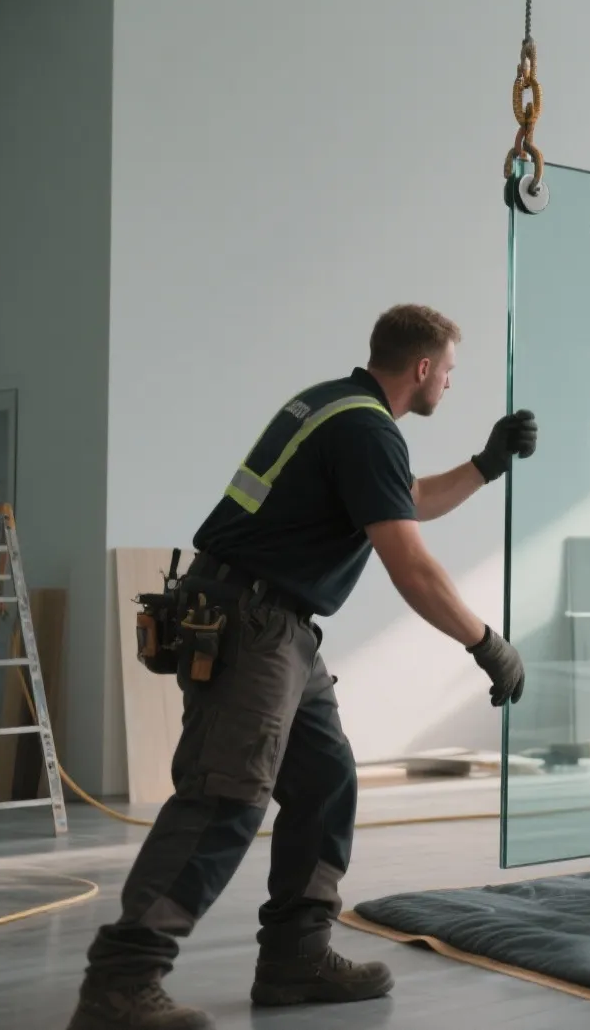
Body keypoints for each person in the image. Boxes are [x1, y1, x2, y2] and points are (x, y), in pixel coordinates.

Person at [70, 305, 537, 1030]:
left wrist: (485, 466)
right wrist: (486, 643)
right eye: (449, 370)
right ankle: (122, 980)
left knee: (325, 781)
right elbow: (410, 565)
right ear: (422, 368)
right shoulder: (365, 427)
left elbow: (405, 500)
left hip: (271, 622)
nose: (450, 382)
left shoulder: (335, 405)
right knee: (224, 798)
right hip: (256, 624)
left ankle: (297, 956)